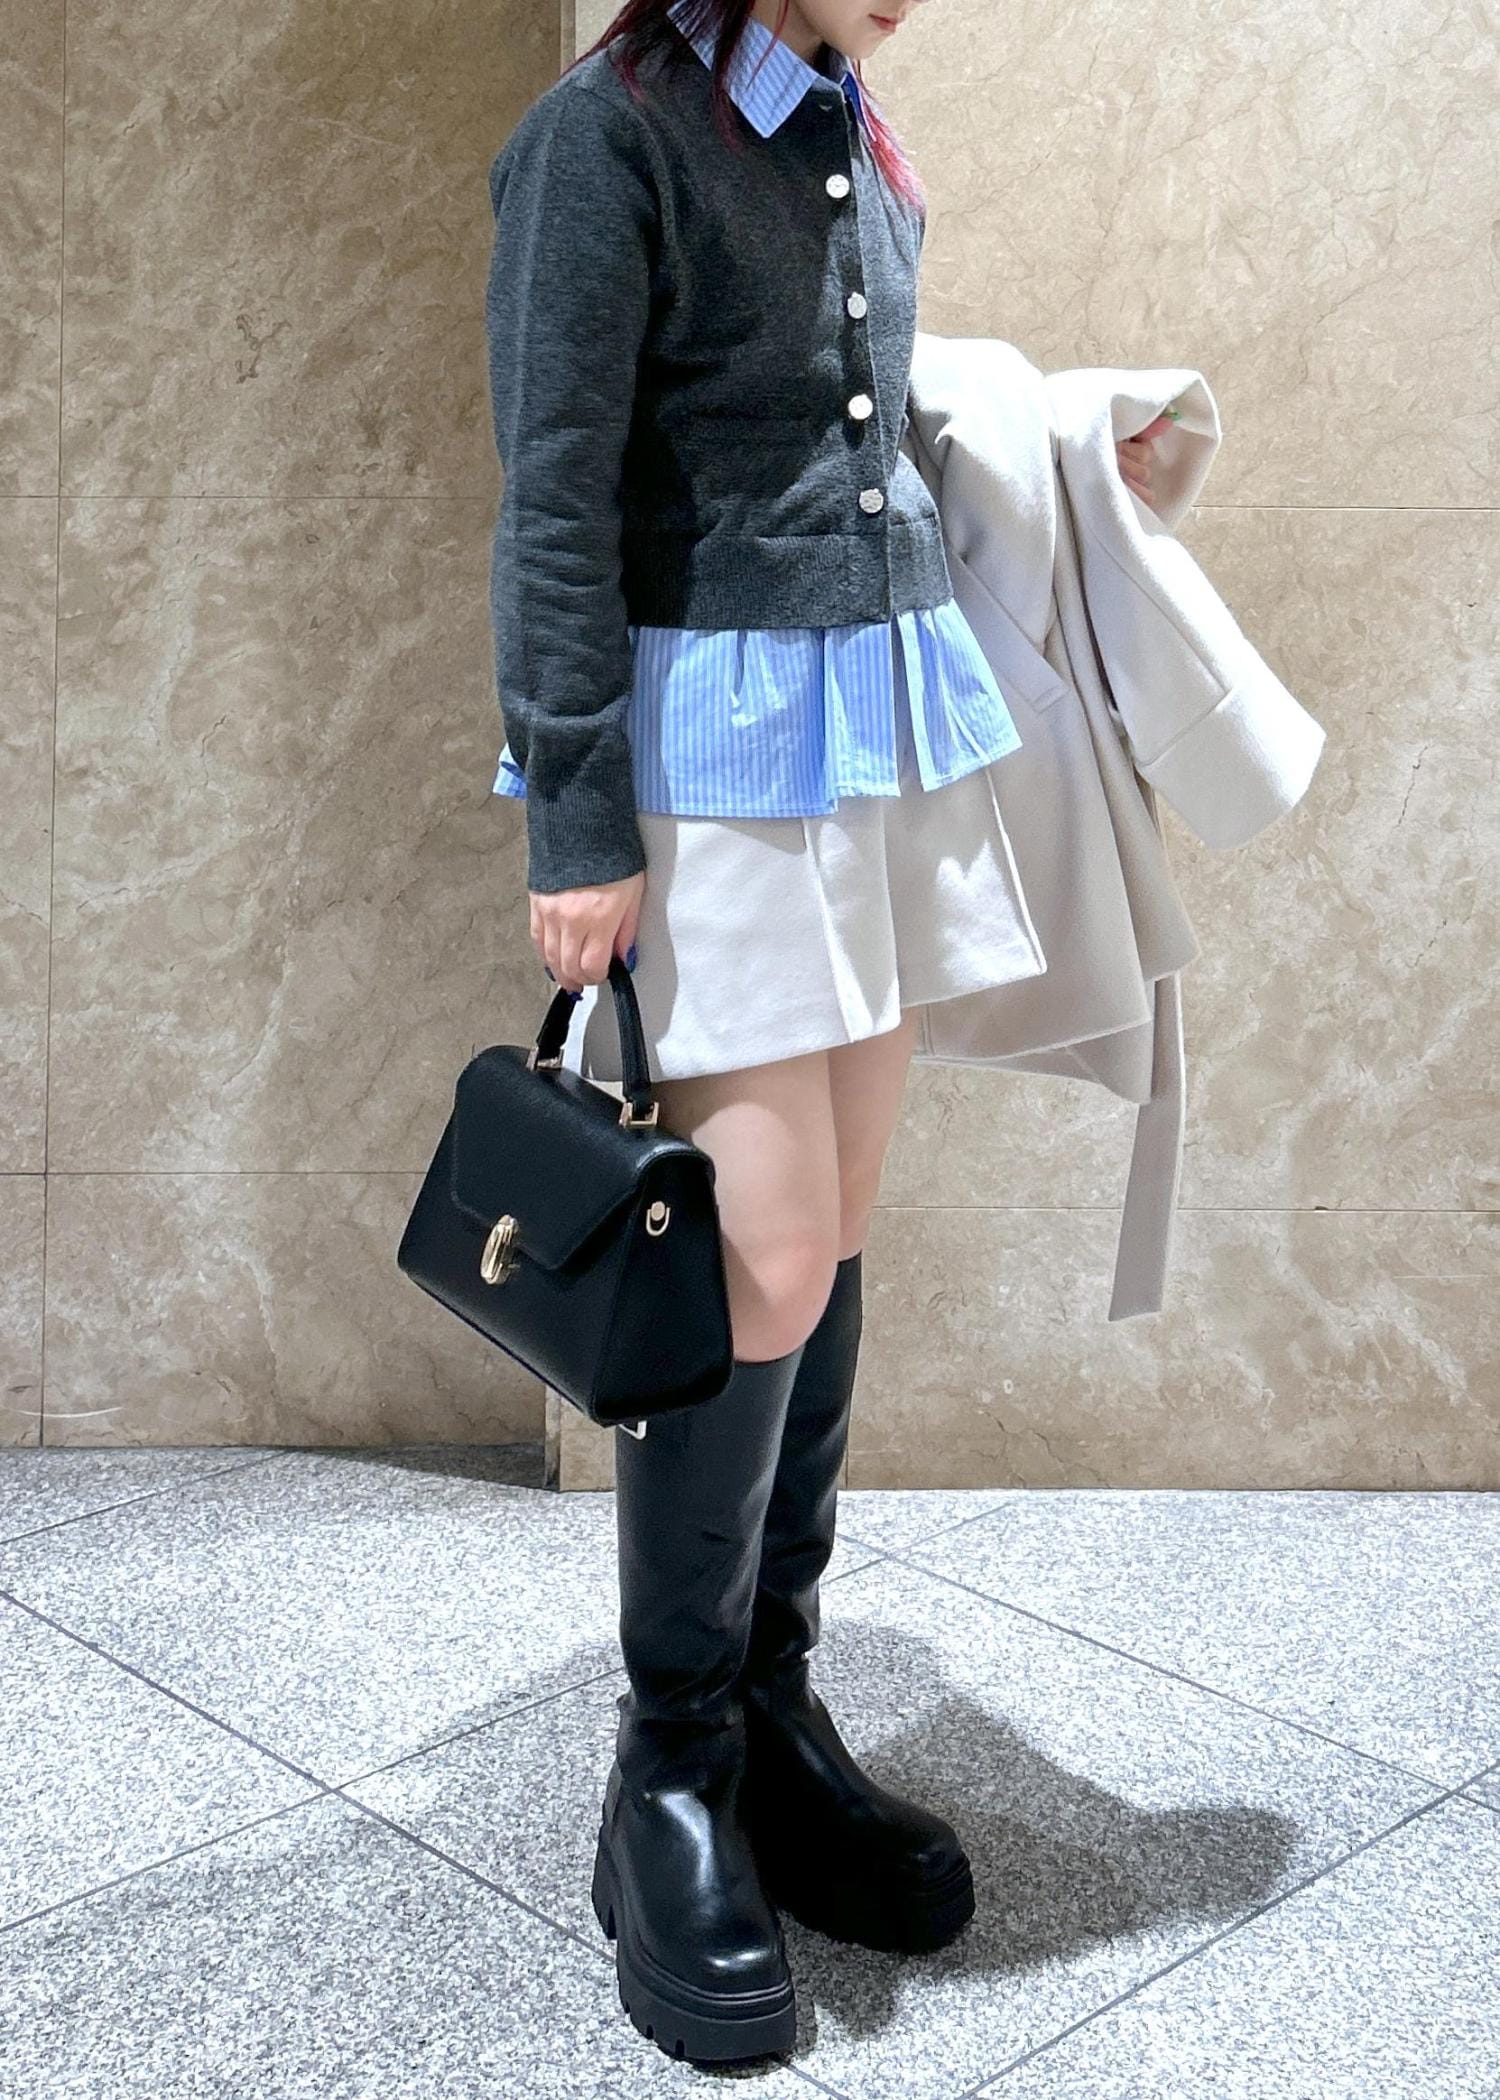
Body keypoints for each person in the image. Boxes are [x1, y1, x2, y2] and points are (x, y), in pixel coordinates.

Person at [482, 0, 1158, 2067]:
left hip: (865, 734)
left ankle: (769, 1711)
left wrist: (1071, 451)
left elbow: (856, 411)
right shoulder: (605, 139)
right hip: (715, 764)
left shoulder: (839, 116)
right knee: (759, 1255)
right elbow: (554, 492)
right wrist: (576, 815)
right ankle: (670, 1775)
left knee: (834, 1233)